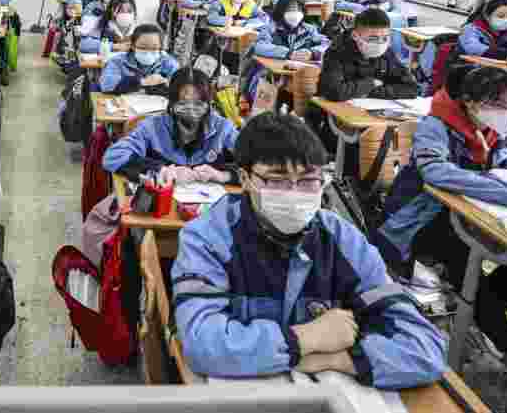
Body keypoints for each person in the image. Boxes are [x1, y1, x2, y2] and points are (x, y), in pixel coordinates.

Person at [173, 112, 447, 388]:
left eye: (308, 181)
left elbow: (425, 349)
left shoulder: (343, 240)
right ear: (245, 178)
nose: (293, 192)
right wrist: (305, 339)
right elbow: (201, 344)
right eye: (276, 180)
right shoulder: (208, 238)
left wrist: (334, 359)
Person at [376, 65, 507, 409]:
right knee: (465, 263)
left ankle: (479, 316)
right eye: (498, 104)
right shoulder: (436, 127)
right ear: (470, 102)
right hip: (425, 220)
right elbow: (436, 171)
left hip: (488, 217)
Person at [103, 68, 239, 185]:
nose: (191, 109)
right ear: (171, 102)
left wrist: (223, 175)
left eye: (199, 103)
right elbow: (113, 156)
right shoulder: (152, 127)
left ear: (209, 103)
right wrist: (160, 169)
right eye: (183, 102)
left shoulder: (223, 128)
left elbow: (255, 164)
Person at [318, 8, 418, 102]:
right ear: (355, 36)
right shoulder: (337, 52)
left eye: (385, 38)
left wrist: (370, 92)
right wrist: (371, 83)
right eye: (373, 39)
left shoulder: (386, 52)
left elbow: (411, 88)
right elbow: (334, 92)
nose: (379, 43)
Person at [244, 0, 330, 102]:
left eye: (299, 9)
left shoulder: (309, 30)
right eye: (291, 9)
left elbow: (327, 44)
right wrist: (289, 53)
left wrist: (313, 53)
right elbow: (260, 47)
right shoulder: (271, 27)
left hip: (296, 77)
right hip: (269, 76)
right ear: (282, 10)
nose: (295, 13)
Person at [335, 0, 409, 64]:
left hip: (371, 18)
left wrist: (383, 6)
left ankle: (397, 52)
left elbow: (381, 2)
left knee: (397, 17)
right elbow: (339, 5)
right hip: (356, 20)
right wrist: (362, 7)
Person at [100, 24, 178, 96]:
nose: (148, 52)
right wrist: (142, 82)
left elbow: (180, 87)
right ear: (133, 46)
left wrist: (166, 83)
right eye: (143, 47)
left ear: (161, 48)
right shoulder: (117, 61)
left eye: (154, 48)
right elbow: (106, 85)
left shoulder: (169, 63)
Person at [54, 0, 84, 74]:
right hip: (68, 46)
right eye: (68, 8)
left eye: (72, 8)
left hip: (74, 48)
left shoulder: (78, 21)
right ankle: (67, 64)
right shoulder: (65, 20)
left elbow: (78, 38)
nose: (70, 10)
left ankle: (69, 66)